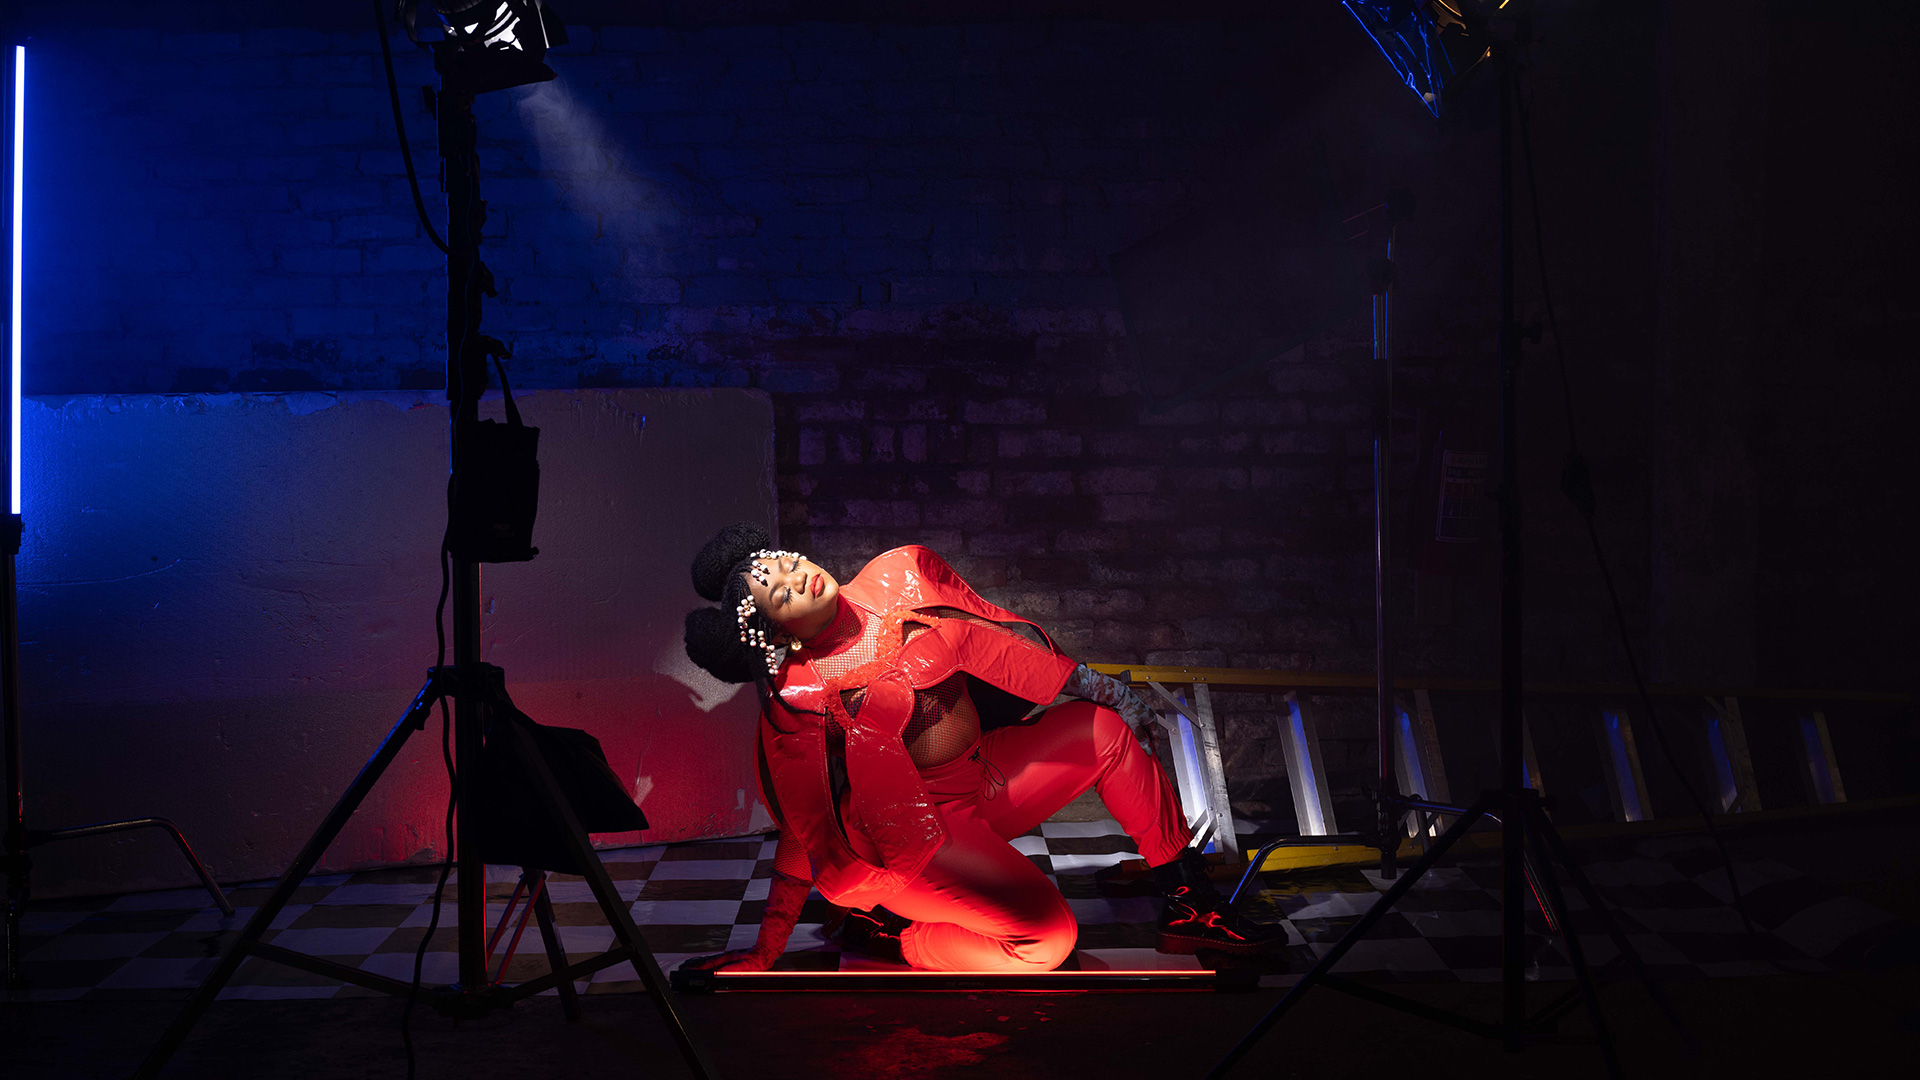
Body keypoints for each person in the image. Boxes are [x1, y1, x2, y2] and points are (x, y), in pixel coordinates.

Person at [678, 523, 1277, 973]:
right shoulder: (801, 697)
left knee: (1104, 733)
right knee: (1048, 940)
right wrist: (765, 949)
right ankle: (894, 936)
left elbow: (1010, 658)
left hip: (984, 778)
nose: (799, 578)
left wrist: (1116, 695)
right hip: (920, 839)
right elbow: (807, 825)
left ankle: (1189, 907)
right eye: (781, 595)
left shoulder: (897, 585)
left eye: (787, 564)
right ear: (779, 632)